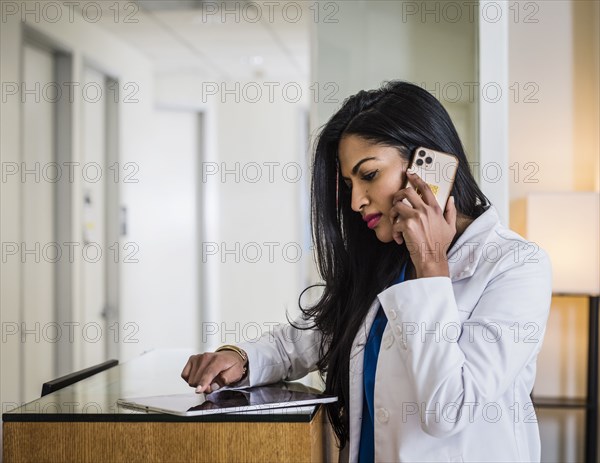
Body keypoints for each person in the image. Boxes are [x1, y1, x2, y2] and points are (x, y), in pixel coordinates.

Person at [181, 81, 552, 462]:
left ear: (430, 166)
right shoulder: (386, 260)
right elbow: (308, 340)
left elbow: (450, 409)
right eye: (349, 184)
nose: (357, 201)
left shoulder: (516, 265)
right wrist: (241, 359)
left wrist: (431, 264)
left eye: (370, 174)